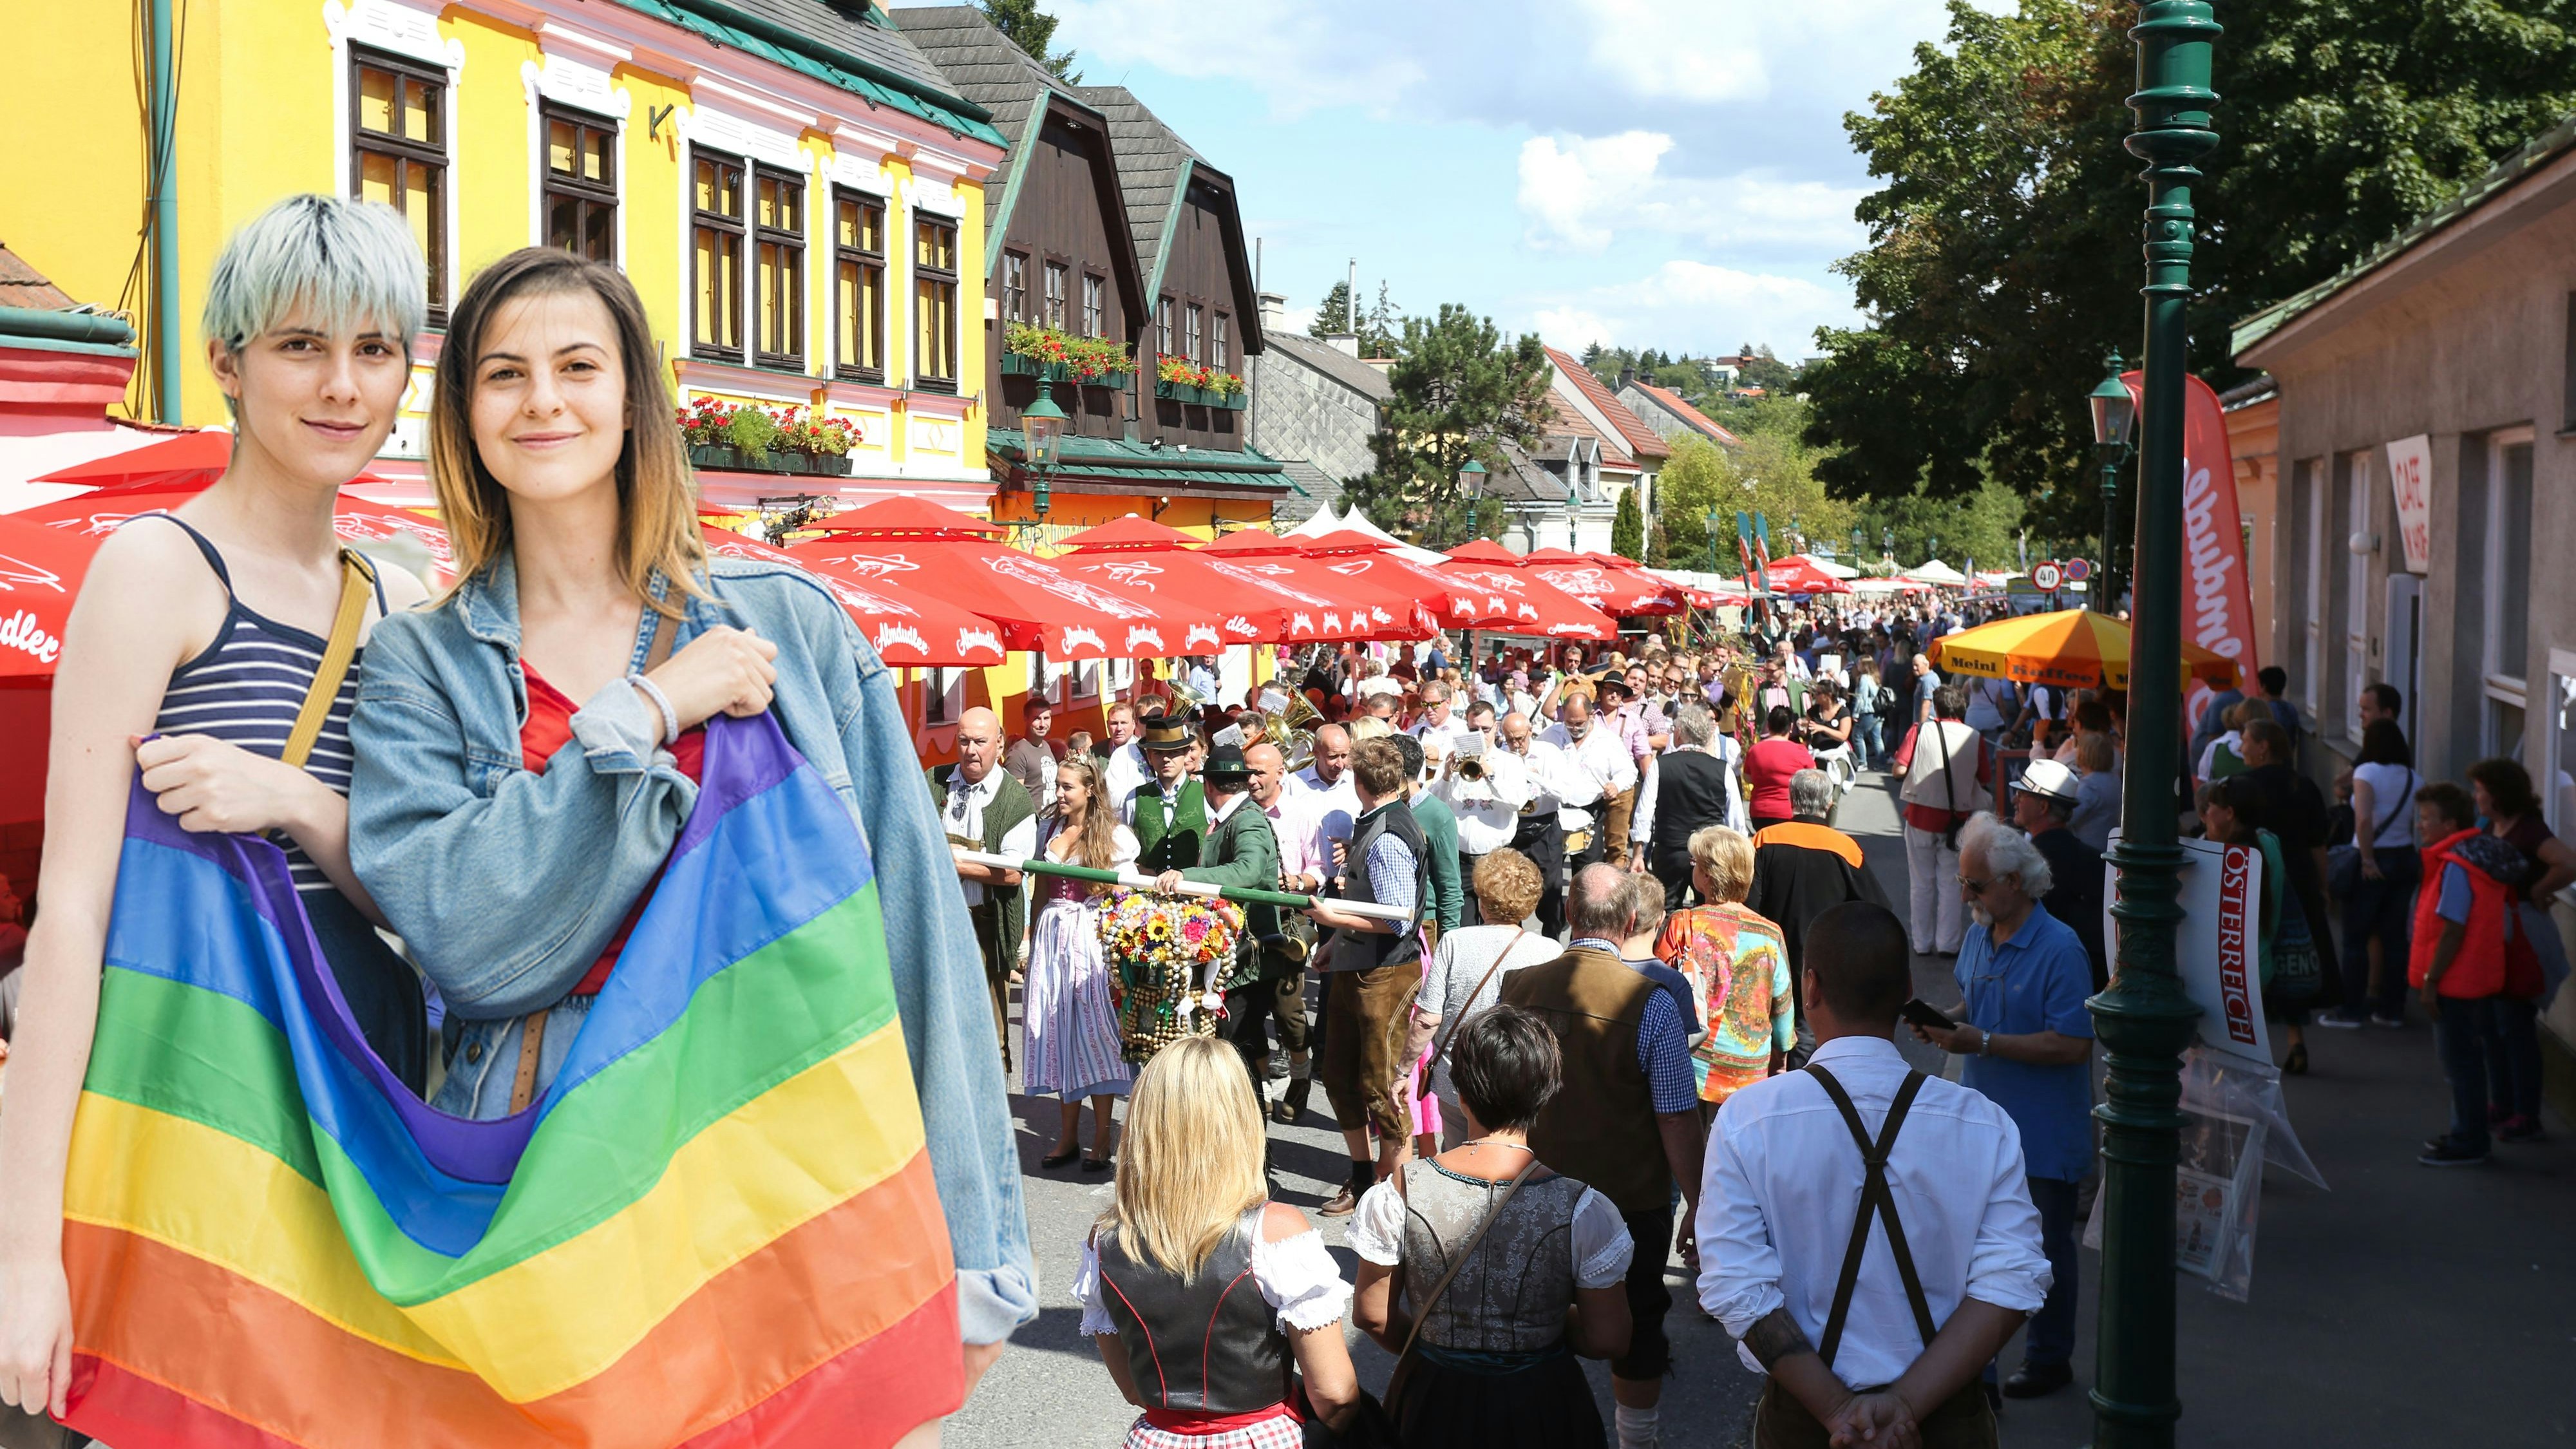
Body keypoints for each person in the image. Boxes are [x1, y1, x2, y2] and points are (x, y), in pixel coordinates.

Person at [339, 248, 1032, 1397]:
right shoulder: (420, 664)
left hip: (774, 1157)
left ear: (633, 402)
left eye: (577, 366)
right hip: (538, 1166)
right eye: (504, 374)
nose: (544, 400)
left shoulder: (791, 625)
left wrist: (979, 1256)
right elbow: (464, 933)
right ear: (464, 412)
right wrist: (648, 714)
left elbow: (913, 937)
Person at [0, 196, 442, 1428]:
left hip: (352, 1114)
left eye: (373, 349)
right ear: (227, 363)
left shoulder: (397, 603)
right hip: (192, 1114)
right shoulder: (158, 570)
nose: (341, 385)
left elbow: (414, 895)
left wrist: (295, 799)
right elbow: (73, 918)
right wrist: (24, 1253)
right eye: (301, 345)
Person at [1700, 902, 2050, 1449]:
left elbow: (1736, 1288)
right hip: (1944, 1418)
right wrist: (1905, 1405)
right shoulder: (1983, 1124)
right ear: (1906, 988)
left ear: (1810, 987)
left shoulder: (1748, 1120)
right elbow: (2013, 1282)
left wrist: (1840, 1411)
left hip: (1805, 1419)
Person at [1350, 1007, 1636, 1448]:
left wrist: (1438, 1348)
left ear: (1461, 1093)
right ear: (1547, 1092)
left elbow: (1372, 1314)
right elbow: (1609, 1336)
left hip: (1433, 1398)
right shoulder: (1584, 1209)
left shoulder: (1399, 1193)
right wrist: (1539, 1328)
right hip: (1543, 1401)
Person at [1500, 864, 1704, 1449]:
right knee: (1636, 1323)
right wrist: (1698, 1200)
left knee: (1527, 1316)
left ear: (1568, 914)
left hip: (1529, 1188)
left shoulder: (1518, 986)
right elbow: (1676, 1116)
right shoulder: (1653, 1003)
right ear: (1634, 921)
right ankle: (1635, 1442)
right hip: (1628, 1199)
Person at [1076, 1037, 1360, 1445]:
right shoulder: (1277, 1230)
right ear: (1240, 1122)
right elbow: (1335, 1395)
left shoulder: (1104, 1240)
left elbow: (1134, 1389)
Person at [1908, 815, 2094, 1401]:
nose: (1965, 895)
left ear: (2015, 882)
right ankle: (1979, 1371)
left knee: (2043, 1248)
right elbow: (1978, 1000)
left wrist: (1981, 1041)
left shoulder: (2061, 948)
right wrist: (1948, 1020)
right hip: (1982, 1128)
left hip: (2041, 1131)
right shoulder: (1980, 933)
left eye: (1976, 885)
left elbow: (2073, 1044)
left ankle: (2048, 1356)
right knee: (1970, 1250)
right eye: (1965, 883)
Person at [1309, 738, 1432, 1216]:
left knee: (1380, 1087)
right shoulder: (1376, 821)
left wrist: (1335, 919)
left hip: (1386, 975)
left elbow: (1399, 919)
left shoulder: (1387, 835)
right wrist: (1335, 946)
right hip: (1354, 967)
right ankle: (1363, 1177)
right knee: (1339, 1078)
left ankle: (1396, 1195)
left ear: (1358, 782)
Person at [1026, 755, 1137, 1171]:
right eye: (1057, 786)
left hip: (1090, 934)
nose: (1059, 794)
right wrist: (1030, 935)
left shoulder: (1110, 835)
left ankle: (1102, 1135)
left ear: (1090, 790)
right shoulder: (1049, 827)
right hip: (1053, 933)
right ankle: (1068, 1136)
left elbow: (1122, 897)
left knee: (1095, 1034)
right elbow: (1040, 887)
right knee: (1058, 1030)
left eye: (1067, 787)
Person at [2410, 782, 2528, 1166]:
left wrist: (2431, 981)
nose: (2420, 825)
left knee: (2459, 1064)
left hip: (2455, 981)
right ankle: (2465, 1131)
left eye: (2427, 818)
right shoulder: (2473, 858)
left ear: (2450, 823)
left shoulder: (2457, 865)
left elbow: (2453, 928)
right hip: (2475, 976)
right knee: (2468, 1062)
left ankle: (2470, 1141)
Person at [1157, 743, 1282, 1106]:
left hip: (1247, 954)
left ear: (1209, 785)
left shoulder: (1247, 819)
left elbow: (1249, 870)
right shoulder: (1235, 817)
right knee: (1239, 1047)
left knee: (1236, 1050)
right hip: (1230, 950)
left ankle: (1255, 1147)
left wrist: (1187, 877)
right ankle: (1251, 1143)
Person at [1413, 849, 1558, 1139]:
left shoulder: (1455, 942)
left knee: (1458, 1158)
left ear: (1482, 900)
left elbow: (1427, 1020)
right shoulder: (1551, 951)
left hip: (1459, 1081)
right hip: (1522, 1080)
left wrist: (1404, 1071)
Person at [1654, 825, 1794, 1108]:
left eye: (1695, 864)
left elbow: (1655, 992)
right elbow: (1782, 1007)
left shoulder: (1684, 923)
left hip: (1689, 1065)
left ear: (1706, 875)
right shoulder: (1770, 934)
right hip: (1747, 1073)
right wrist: (1780, 1060)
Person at [2465, 758, 2567, 1142]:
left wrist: (2539, 891)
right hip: (2495, 935)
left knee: (2515, 1026)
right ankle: (2503, 1102)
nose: (2476, 796)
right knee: (2491, 1024)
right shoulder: (2493, 825)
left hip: (2521, 935)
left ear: (2498, 793)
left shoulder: (2529, 829)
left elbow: (2568, 863)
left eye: (2480, 789)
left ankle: (2526, 1112)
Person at [930, 706, 1039, 1057]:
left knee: (988, 1032)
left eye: (980, 741)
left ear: (1000, 742)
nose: (971, 750)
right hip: (937, 922)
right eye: (963, 741)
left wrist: (954, 864)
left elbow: (1011, 874)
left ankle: (989, 1108)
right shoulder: (934, 780)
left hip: (986, 925)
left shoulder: (1014, 798)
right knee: (935, 1023)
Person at [1747, 771, 1893, 999]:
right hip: (1827, 959)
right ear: (1829, 803)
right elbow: (1878, 908)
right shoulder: (1844, 847)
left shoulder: (1764, 839)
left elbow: (1749, 903)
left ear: (1792, 799)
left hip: (1771, 956)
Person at [2318, 718, 2419, 1028]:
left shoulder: (2366, 772)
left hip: (2373, 857)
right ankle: (2392, 1009)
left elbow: (2362, 819)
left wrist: (2367, 859)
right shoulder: (2415, 778)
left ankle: (2352, 1009)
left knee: (2355, 939)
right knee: (2395, 938)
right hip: (2404, 858)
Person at [1245, 742, 1323, 1124]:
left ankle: (1300, 1074)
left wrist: (1294, 880)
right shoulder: (1235, 814)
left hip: (1288, 920)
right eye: (1249, 770)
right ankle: (1258, 1090)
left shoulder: (1300, 816)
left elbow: (1320, 872)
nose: (1252, 779)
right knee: (1248, 1012)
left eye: (1260, 772)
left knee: (1290, 1014)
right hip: (1246, 924)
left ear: (1280, 774)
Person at [1893, 684, 1991, 957]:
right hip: (1957, 821)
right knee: (1951, 883)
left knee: (1921, 882)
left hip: (1920, 815)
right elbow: (1984, 778)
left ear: (1937, 707)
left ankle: (1922, 943)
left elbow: (1899, 768)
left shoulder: (1920, 730)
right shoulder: (1975, 737)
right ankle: (1948, 944)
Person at [1630, 703, 1739, 911]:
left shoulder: (1661, 765)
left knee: (1666, 910)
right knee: (1709, 909)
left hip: (1670, 849)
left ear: (1679, 734)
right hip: (1709, 851)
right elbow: (1735, 820)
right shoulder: (1723, 769)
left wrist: (1638, 853)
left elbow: (1644, 812)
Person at [2011, 759, 2108, 991]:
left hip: (2042, 980)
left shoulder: (2025, 864)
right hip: (2090, 979)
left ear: (2043, 807)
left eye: (2022, 795)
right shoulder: (2094, 859)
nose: (2015, 800)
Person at [1542, 694, 1640, 878]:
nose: (1574, 728)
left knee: (1588, 878)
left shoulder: (1607, 740)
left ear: (1592, 715)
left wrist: (1616, 785)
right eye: (1569, 723)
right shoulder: (1551, 735)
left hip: (1590, 815)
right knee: (1550, 878)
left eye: (1579, 723)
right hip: (1556, 815)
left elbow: (1628, 771)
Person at [1499, 711, 1574, 938]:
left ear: (1531, 731)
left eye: (1520, 738)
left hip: (1545, 825)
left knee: (1550, 890)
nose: (1516, 744)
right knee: (1512, 886)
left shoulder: (1548, 752)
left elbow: (1565, 793)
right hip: (1516, 825)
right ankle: (1515, 940)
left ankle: (1551, 942)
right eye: (1510, 739)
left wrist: (1534, 776)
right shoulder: (1503, 754)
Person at [1395, 734, 1466, 938]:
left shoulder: (1438, 815)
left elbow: (1450, 886)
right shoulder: (1383, 807)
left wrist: (1448, 940)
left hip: (1424, 925)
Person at [1126, 714, 1205, 873]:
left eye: (1174, 752)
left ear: (1186, 754)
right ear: (1149, 756)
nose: (1166, 759)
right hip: (1145, 892)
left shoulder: (1205, 795)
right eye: (1158, 753)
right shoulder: (1134, 798)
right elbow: (1124, 853)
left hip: (1194, 892)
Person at [1743, 706, 1816, 833]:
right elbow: (1814, 777)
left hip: (1760, 813)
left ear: (1769, 725)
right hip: (1789, 812)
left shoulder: (1755, 750)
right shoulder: (1799, 750)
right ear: (1791, 726)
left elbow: (1748, 778)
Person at [2067, 728, 2119, 853]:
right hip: (2110, 849)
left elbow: (2068, 818)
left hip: (2090, 853)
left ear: (2083, 754)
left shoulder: (2089, 786)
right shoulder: (2115, 779)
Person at [1007, 696, 1063, 803]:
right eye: (1037, 719)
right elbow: (1014, 799)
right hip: (1035, 818)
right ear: (1026, 719)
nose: (1042, 724)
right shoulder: (1017, 754)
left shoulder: (1046, 746)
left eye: (1046, 718)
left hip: (1052, 817)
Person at [1099, 701, 1150, 815]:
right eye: (1114, 723)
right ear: (1107, 724)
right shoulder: (1094, 751)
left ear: (1134, 724)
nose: (1119, 728)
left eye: (1124, 723)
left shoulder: (1145, 750)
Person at [1850, 659, 1887, 770]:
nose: (1858, 666)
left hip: (1867, 711)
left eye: (1859, 664)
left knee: (1857, 735)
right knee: (1876, 737)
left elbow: (1861, 697)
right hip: (1878, 711)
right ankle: (1882, 763)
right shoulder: (1875, 678)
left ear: (1865, 666)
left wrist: (1856, 714)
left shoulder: (1864, 678)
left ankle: (1862, 762)